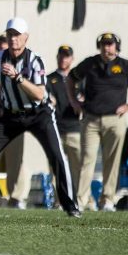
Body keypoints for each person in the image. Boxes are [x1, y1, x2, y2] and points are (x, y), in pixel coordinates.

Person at [0, 18, 80, 217]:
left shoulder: (35, 60)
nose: (13, 39)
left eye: (17, 35)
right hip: (10, 115)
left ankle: (71, 206)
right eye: (10, 35)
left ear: (26, 37)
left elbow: (40, 94)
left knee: (57, 158)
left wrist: (18, 78)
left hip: (38, 114)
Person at [66, 33, 128, 212]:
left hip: (115, 120)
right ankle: (81, 200)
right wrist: (74, 102)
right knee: (87, 159)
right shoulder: (90, 63)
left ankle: (107, 200)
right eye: (104, 44)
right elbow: (70, 78)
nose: (106, 48)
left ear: (116, 46)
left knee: (112, 160)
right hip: (91, 119)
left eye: (110, 44)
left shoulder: (125, 66)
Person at [48, 45, 81, 193]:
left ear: (72, 59)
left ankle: (79, 197)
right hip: (56, 128)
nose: (63, 59)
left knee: (78, 166)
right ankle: (58, 199)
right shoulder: (50, 79)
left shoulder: (79, 79)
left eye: (66, 56)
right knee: (56, 167)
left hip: (75, 128)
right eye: (60, 55)